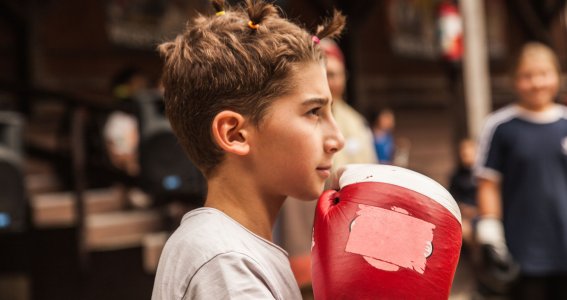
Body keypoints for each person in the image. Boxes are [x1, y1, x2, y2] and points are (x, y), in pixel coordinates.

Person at [151, 0, 346, 299]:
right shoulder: (226, 264)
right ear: (235, 134)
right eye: (313, 112)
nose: (338, 139)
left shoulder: (230, 249)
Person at [275, 37, 377, 293]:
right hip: (304, 227)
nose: (330, 81)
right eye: (324, 73)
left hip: (350, 232)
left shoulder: (357, 124)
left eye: (334, 74)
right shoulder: (294, 121)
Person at [474, 42, 567, 299]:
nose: (537, 83)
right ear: (514, 80)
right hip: (523, 250)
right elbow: (488, 183)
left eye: (544, 74)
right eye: (527, 76)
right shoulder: (501, 126)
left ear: (556, 77)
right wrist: (491, 233)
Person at [449, 138, 478, 247]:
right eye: (463, 154)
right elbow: (453, 198)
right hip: (465, 215)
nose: (465, 156)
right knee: (464, 231)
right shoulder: (456, 176)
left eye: (469, 153)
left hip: (482, 214)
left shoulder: (482, 174)